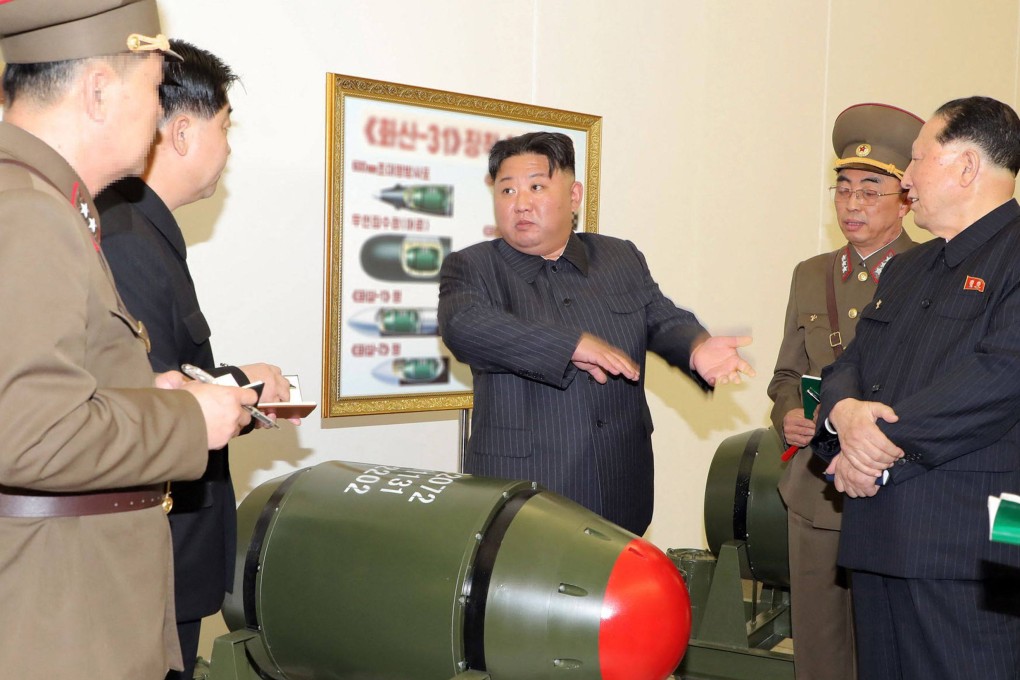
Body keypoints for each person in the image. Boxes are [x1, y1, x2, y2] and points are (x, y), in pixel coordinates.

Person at [0, 2, 259, 679]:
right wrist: (189, 418)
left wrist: (147, 394)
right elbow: (30, 435)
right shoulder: (28, 213)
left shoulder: (45, 204)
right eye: (152, 87)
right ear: (98, 91)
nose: (157, 115)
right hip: (59, 617)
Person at [438, 131, 754, 536]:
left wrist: (696, 346)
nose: (521, 203)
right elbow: (464, 326)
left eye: (536, 187)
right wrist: (569, 345)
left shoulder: (619, 256)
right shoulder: (473, 267)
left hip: (621, 483)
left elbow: (659, 316)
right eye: (507, 190)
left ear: (574, 197)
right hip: (525, 494)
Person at [96, 40, 294, 680]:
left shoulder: (148, 231)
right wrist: (239, 384)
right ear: (182, 132)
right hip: (153, 551)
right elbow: (144, 398)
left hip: (173, 550)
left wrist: (237, 385)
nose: (228, 149)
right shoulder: (127, 238)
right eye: (225, 127)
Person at [812, 96, 1020, 680]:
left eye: (918, 159)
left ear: (967, 166)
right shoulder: (907, 269)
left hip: (976, 543)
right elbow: (848, 366)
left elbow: (1000, 377)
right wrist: (844, 415)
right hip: (880, 532)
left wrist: (874, 446)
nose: (906, 178)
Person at [767, 103, 922, 680]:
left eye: (871, 191)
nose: (853, 204)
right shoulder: (811, 273)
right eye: (844, 189)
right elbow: (786, 375)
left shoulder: (929, 270)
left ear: (905, 199)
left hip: (895, 490)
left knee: (892, 649)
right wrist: (788, 414)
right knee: (820, 652)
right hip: (816, 491)